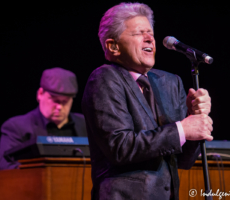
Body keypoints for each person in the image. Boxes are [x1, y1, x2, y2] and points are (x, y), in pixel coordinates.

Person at [82, 2, 213, 200]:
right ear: (113, 46)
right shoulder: (104, 79)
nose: (149, 38)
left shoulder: (170, 82)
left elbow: (183, 161)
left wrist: (193, 118)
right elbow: (120, 147)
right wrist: (182, 129)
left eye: (150, 32)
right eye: (138, 33)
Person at [0, 67, 87, 170]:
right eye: (55, 100)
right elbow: (7, 166)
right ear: (40, 94)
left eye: (65, 101)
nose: (59, 107)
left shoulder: (85, 124)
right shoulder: (17, 127)